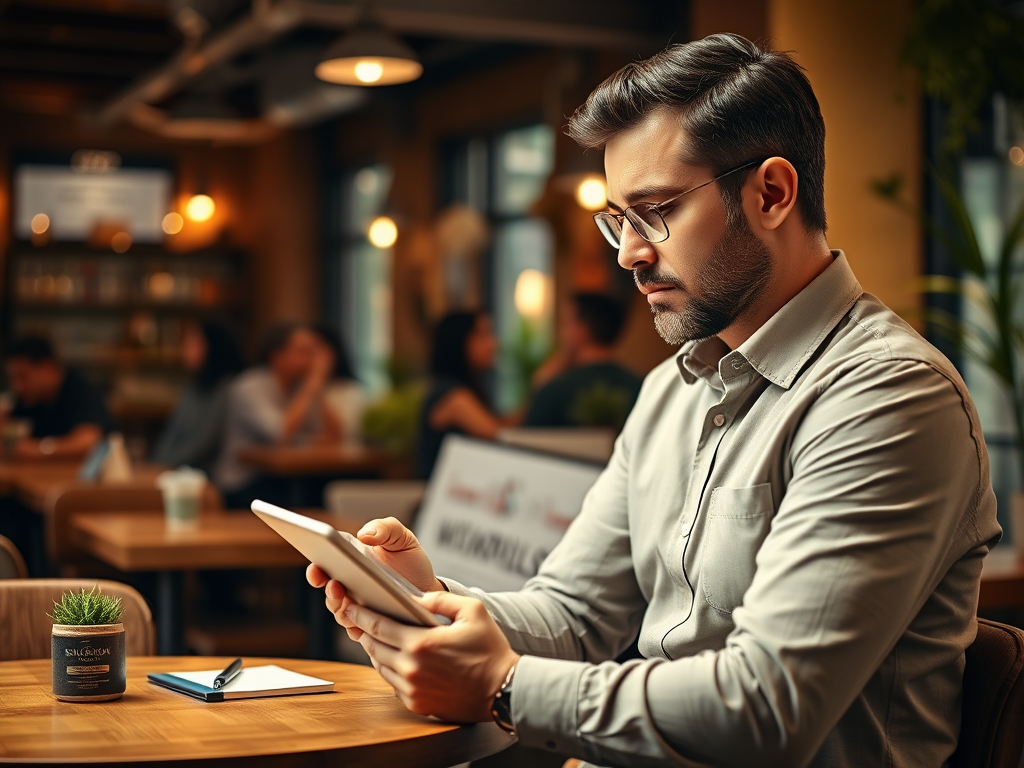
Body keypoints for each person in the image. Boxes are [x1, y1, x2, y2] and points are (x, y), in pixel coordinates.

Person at [307, 34, 1000, 768]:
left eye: (656, 211)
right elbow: (574, 616)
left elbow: (769, 709)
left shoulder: (888, 398)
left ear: (772, 193)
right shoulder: (671, 389)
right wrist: (426, 602)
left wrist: (504, 685)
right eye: (619, 219)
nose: (627, 253)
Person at [214, 323, 341, 508]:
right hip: (243, 482)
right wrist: (311, 386)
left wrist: (317, 388)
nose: (312, 360)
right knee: (305, 497)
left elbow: (334, 436)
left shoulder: (299, 387)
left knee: (326, 488)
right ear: (277, 357)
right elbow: (280, 433)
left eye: (314, 353)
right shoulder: (249, 386)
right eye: (304, 352)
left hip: (282, 478)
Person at [413, 311, 513, 480]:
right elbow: (501, 436)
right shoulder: (453, 396)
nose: (493, 343)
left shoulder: (456, 388)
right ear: (458, 342)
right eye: (483, 336)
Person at [525, 293, 642, 430]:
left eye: (565, 323)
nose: (560, 332)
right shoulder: (641, 386)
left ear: (582, 329)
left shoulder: (554, 390)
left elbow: (526, 442)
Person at [151, 321, 244, 474]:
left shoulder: (228, 388)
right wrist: (157, 463)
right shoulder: (195, 387)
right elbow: (172, 432)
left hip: (205, 475)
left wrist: (165, 465)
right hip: (175, 470)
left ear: (213, 348)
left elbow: (204, 443)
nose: (185, 350)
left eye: (193, 343)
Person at [3, 336, 111, 459]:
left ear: (47, 367)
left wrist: (40, 449)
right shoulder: (26, 400)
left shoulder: (82, 390)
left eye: (23, 377)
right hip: (42, 475)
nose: (18, 387)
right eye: (13, 378)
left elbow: (89, 443)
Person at [312, 323, 365, 446]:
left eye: (316, 351)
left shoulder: (350, 390)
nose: (310, 358)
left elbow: (342, 434)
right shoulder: (296, 386)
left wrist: (316, 388)